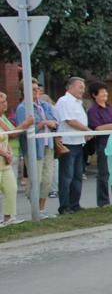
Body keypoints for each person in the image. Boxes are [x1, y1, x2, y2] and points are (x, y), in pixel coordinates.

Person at [16, 79, 56, 217]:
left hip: (48, 145)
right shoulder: (23, 108)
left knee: (47, 179)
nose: (37, 91)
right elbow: (25, 129)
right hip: (34, 148)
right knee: (36, 179)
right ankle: (35, 208)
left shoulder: (44, 105)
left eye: (37, 89)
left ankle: (42, 208)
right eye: (33, 89)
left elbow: (55, 121)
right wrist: (43, 123)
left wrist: (49, 122)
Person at [54, 77, 92, 214]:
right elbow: (70, 121)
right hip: (68, 142)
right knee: (67, 176)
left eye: (83, 87)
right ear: (70, 87)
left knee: (77, 175)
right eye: (80, 87)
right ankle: (64, 206)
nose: (83, 90)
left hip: (78, 142)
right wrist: (87, 130)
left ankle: (75, 204)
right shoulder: (64, 101)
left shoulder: (78, 103)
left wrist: (86, 133)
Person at [0, 91, 32, 224]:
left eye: (5, 101)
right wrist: (26, 124)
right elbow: (12, 133)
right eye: (2, 102)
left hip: (5, 161)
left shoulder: (2, 118)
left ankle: (9, 218)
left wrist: (8, 152)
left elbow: (6, 137)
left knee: (11, 188)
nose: (5, 104)